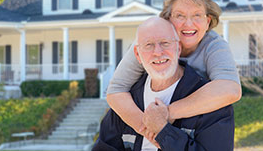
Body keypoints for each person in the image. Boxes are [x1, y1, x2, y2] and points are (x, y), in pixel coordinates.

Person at [106, 0, 241, 139]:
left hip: (197, 128)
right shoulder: (147, 42)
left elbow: (231, 89)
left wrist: (168, 113)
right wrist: (147, 130)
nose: (188, 24)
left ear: (208, 21)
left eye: (197, 15)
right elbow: (116, 90)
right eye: (180, 16)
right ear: (168, 19)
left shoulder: (215, 46)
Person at [92, 17, 234, 151]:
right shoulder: (127, 104)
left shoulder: (212, 103)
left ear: (178, 48)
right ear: (137, 54)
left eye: (165, 43)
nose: (158, 52)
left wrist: (164, 132)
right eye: (148, 45)